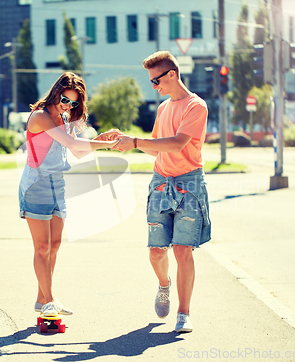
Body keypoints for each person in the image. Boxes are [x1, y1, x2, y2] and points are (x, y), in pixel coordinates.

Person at [113, 51, 211, 333]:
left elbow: (179, 143)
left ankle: (184, 313)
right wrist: (126, 139)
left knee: (182, 250)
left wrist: (134, 141)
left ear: (172, 75)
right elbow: (157, 147)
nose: (153, 86)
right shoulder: (163, 108)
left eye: (156, 80)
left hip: (189, 184)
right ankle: (164, 285)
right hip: (160, 182)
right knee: (157, 251)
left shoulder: (196, 106)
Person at [19, 72, 119, 317]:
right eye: (65, 99)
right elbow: (73, 145)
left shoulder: (62, 118)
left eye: (74, 103)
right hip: (37, 185)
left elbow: (78, 152)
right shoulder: (41, 117)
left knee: (54, 245)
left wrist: (100, 139)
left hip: (57, 184)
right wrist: (105, 144)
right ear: (56, 92)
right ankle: (50, 300)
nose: (68, 106)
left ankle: (42, 299)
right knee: (42, 247)